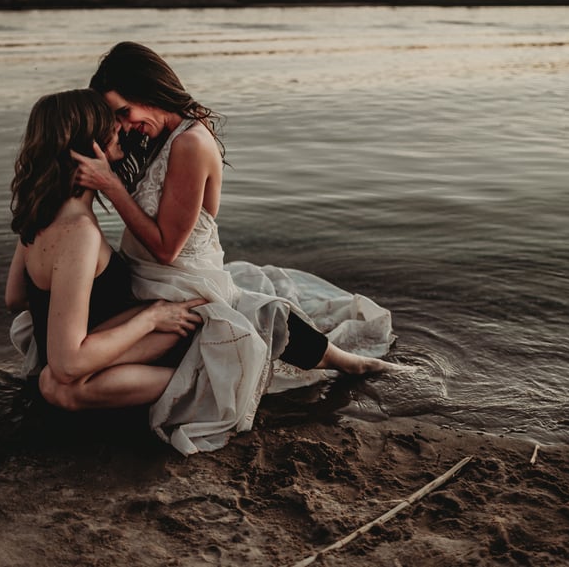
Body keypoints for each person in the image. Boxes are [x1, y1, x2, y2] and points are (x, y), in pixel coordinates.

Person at [75, 42, 399, 454]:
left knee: (254, 319)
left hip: (183, 286)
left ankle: (350, 363)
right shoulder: (157, 137)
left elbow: (166, 249)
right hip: (148, 284)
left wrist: (111, 186)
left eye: (124, 113)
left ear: (148, 90)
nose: (124, 126)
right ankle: (337, 360)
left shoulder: (189, 143)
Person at [4, 88, 206, 412]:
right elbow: (68, 364)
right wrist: (150, 319)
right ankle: (210, 387)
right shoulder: (79, 233)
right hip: (96, 364)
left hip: (110, 353)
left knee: (55, 381)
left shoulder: (38, 214)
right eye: (109, 123)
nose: (119, 128)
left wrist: (67, 304)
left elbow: (14, 297)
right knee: (59, 382)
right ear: (87, 141)